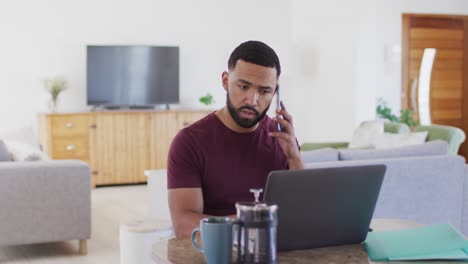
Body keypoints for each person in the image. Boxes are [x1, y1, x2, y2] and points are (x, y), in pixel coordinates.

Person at [167, 40, 304, 238]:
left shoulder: (282, 138)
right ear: (225, 81)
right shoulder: (189, 142)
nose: (252, 99)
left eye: (264, 91)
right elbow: (183, 224)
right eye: (243, 86)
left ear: (275, 91)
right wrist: (251, 222)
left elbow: (304, 212)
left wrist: (294, 158)